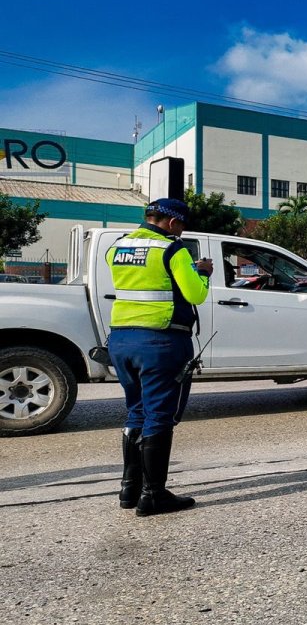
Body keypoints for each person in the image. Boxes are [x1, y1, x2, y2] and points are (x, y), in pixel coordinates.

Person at [107, 198, 213, 517]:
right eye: (180, 225)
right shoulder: (172, 249)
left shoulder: (118, 247)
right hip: (160, 340)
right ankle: (154, 495)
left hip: (122, 339)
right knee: (159, 415)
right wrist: (203, 273)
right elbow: (196, 294)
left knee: (136, 411)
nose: (180, 231)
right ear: (170, 222)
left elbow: (149, 282)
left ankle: (130, 489)